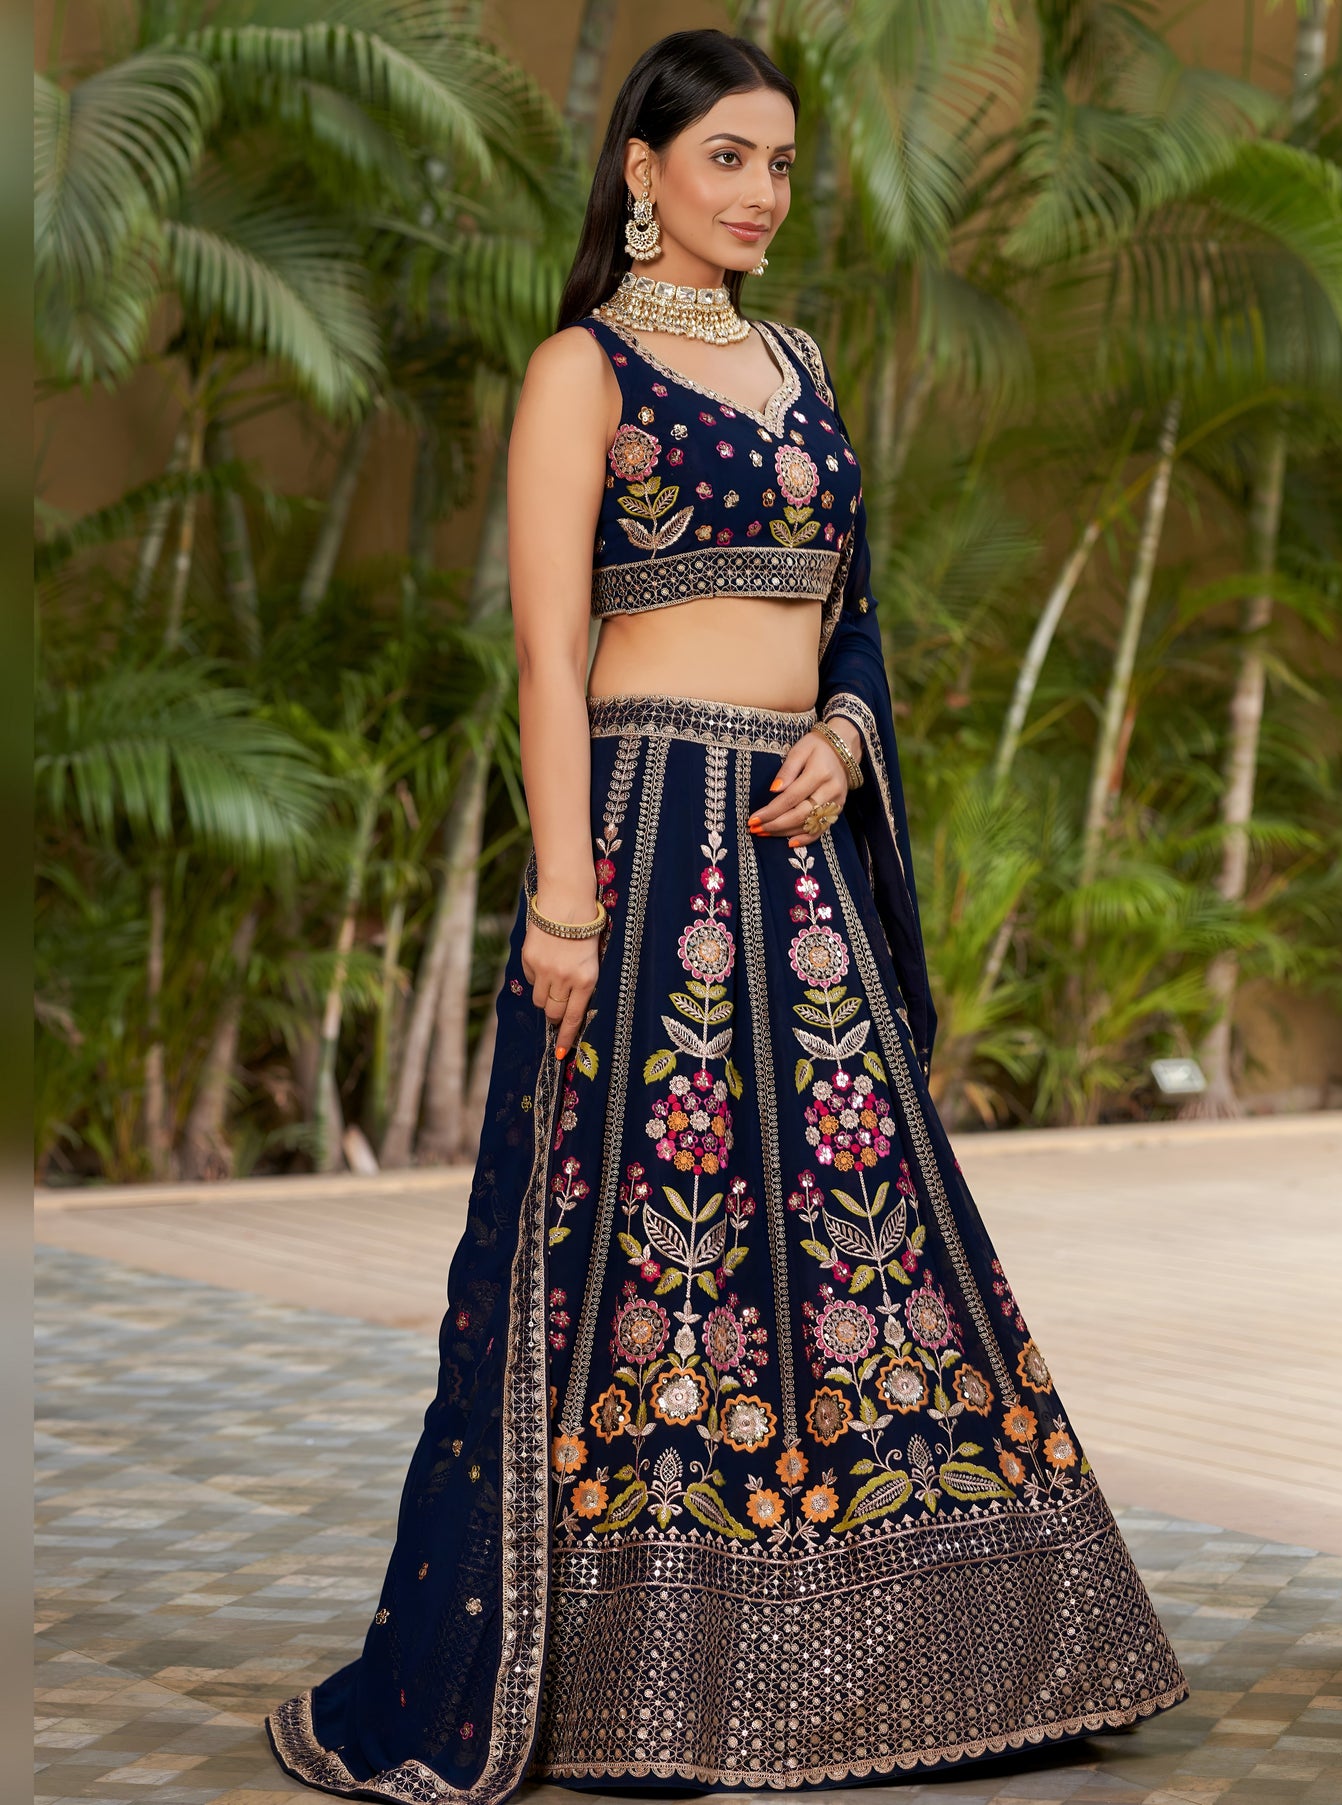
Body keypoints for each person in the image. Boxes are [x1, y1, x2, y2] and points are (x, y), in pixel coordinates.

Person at [266, 27, 1189, 1803]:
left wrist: (846, 737)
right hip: (647, 832)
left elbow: (851, 612)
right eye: (726, 162)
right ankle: (634, 1669)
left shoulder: (800, 359)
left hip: (791, 833)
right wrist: (558, 891)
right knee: (654, 1236)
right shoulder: (579, 369)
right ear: (641, 170)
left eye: (779, 166)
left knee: (852, 1229)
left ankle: (915, 1657)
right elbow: (545, 646)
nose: (759, 195)